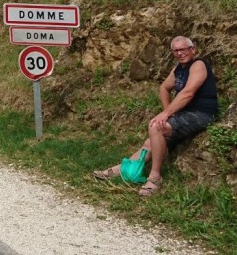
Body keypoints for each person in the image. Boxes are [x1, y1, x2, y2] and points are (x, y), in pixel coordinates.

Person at [91, 36, 218, 197]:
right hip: (184, 115)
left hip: (201, 114)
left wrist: (166, 113)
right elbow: (164, 88)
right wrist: (170, 111)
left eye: (183, 49)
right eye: (176, 51)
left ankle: (155, 177)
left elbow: (188, 92)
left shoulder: (198, 65)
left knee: (155, 126)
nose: (180, 53)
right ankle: (122, 169)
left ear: (192, 49)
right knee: (149, 143)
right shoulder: (179, 69)